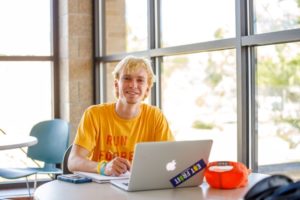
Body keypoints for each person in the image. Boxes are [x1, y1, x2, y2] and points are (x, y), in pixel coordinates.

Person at [68, 56, 174, 176]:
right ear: (116, 85)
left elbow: (171, 160)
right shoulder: (94, 114)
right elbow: (73, 161)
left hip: (139, 189)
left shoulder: (156, 116)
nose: (133, 85)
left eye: (140, 80)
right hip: (100, 189)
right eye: (127, 78)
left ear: (148, 89)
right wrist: (103, 167)